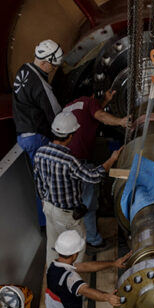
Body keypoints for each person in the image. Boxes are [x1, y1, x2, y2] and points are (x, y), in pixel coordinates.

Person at [34, 110, 122, 265]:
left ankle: (52, 273)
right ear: (70, 136)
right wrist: (112, 159)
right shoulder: (69, 160)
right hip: (66, 215)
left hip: (48, 208)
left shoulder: (40, 153)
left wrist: (44, 200)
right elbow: (93, 177)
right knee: (76, 247)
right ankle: (72, 277)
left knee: (53, 245)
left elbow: (38, 181)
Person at [64, 89, 131, 251]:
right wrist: (121, 121)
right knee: (88, 202)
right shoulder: (89, 101)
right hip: (81, 162)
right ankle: (93, 241)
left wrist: (105, 101)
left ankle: (72, 239)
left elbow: (93, 113)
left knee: (74, 202)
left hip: (65, 161)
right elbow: (100, 115)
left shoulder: (68, 107)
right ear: (92, 96)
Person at [12, 39, 65, 164]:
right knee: (45, 172)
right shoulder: (41, 86)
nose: (53, 69)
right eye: (53, 66)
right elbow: (56, 115)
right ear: (43, 62)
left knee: (37, 170)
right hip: (37, 138)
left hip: (22, 136)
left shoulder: (23, 69)